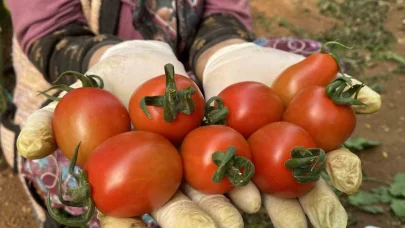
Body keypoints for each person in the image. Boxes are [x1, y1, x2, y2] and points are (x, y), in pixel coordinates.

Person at [1, 0, 380, 227]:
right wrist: (105, 59)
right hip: (100, 69)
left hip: (189, 83)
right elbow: (50, 30)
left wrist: (225, 50)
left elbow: (222, 11)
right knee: (58, 157)